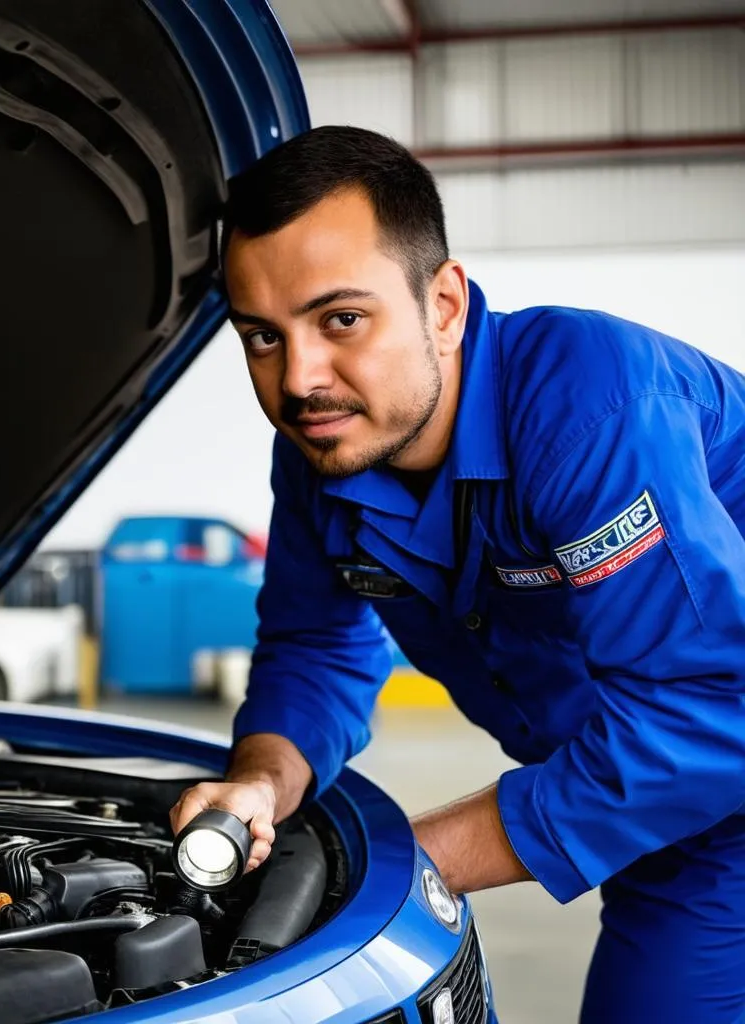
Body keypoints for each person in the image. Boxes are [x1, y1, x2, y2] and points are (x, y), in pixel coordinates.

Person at [168, 126, 745, 1021]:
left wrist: (402, 864)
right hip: (647, 789)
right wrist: (262, 783)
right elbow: (314, 651)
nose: (299, 381)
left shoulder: (588, 410)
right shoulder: (326, 453)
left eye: (342, 319)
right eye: (262, 337)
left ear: (444, 305)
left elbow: (709, 709)